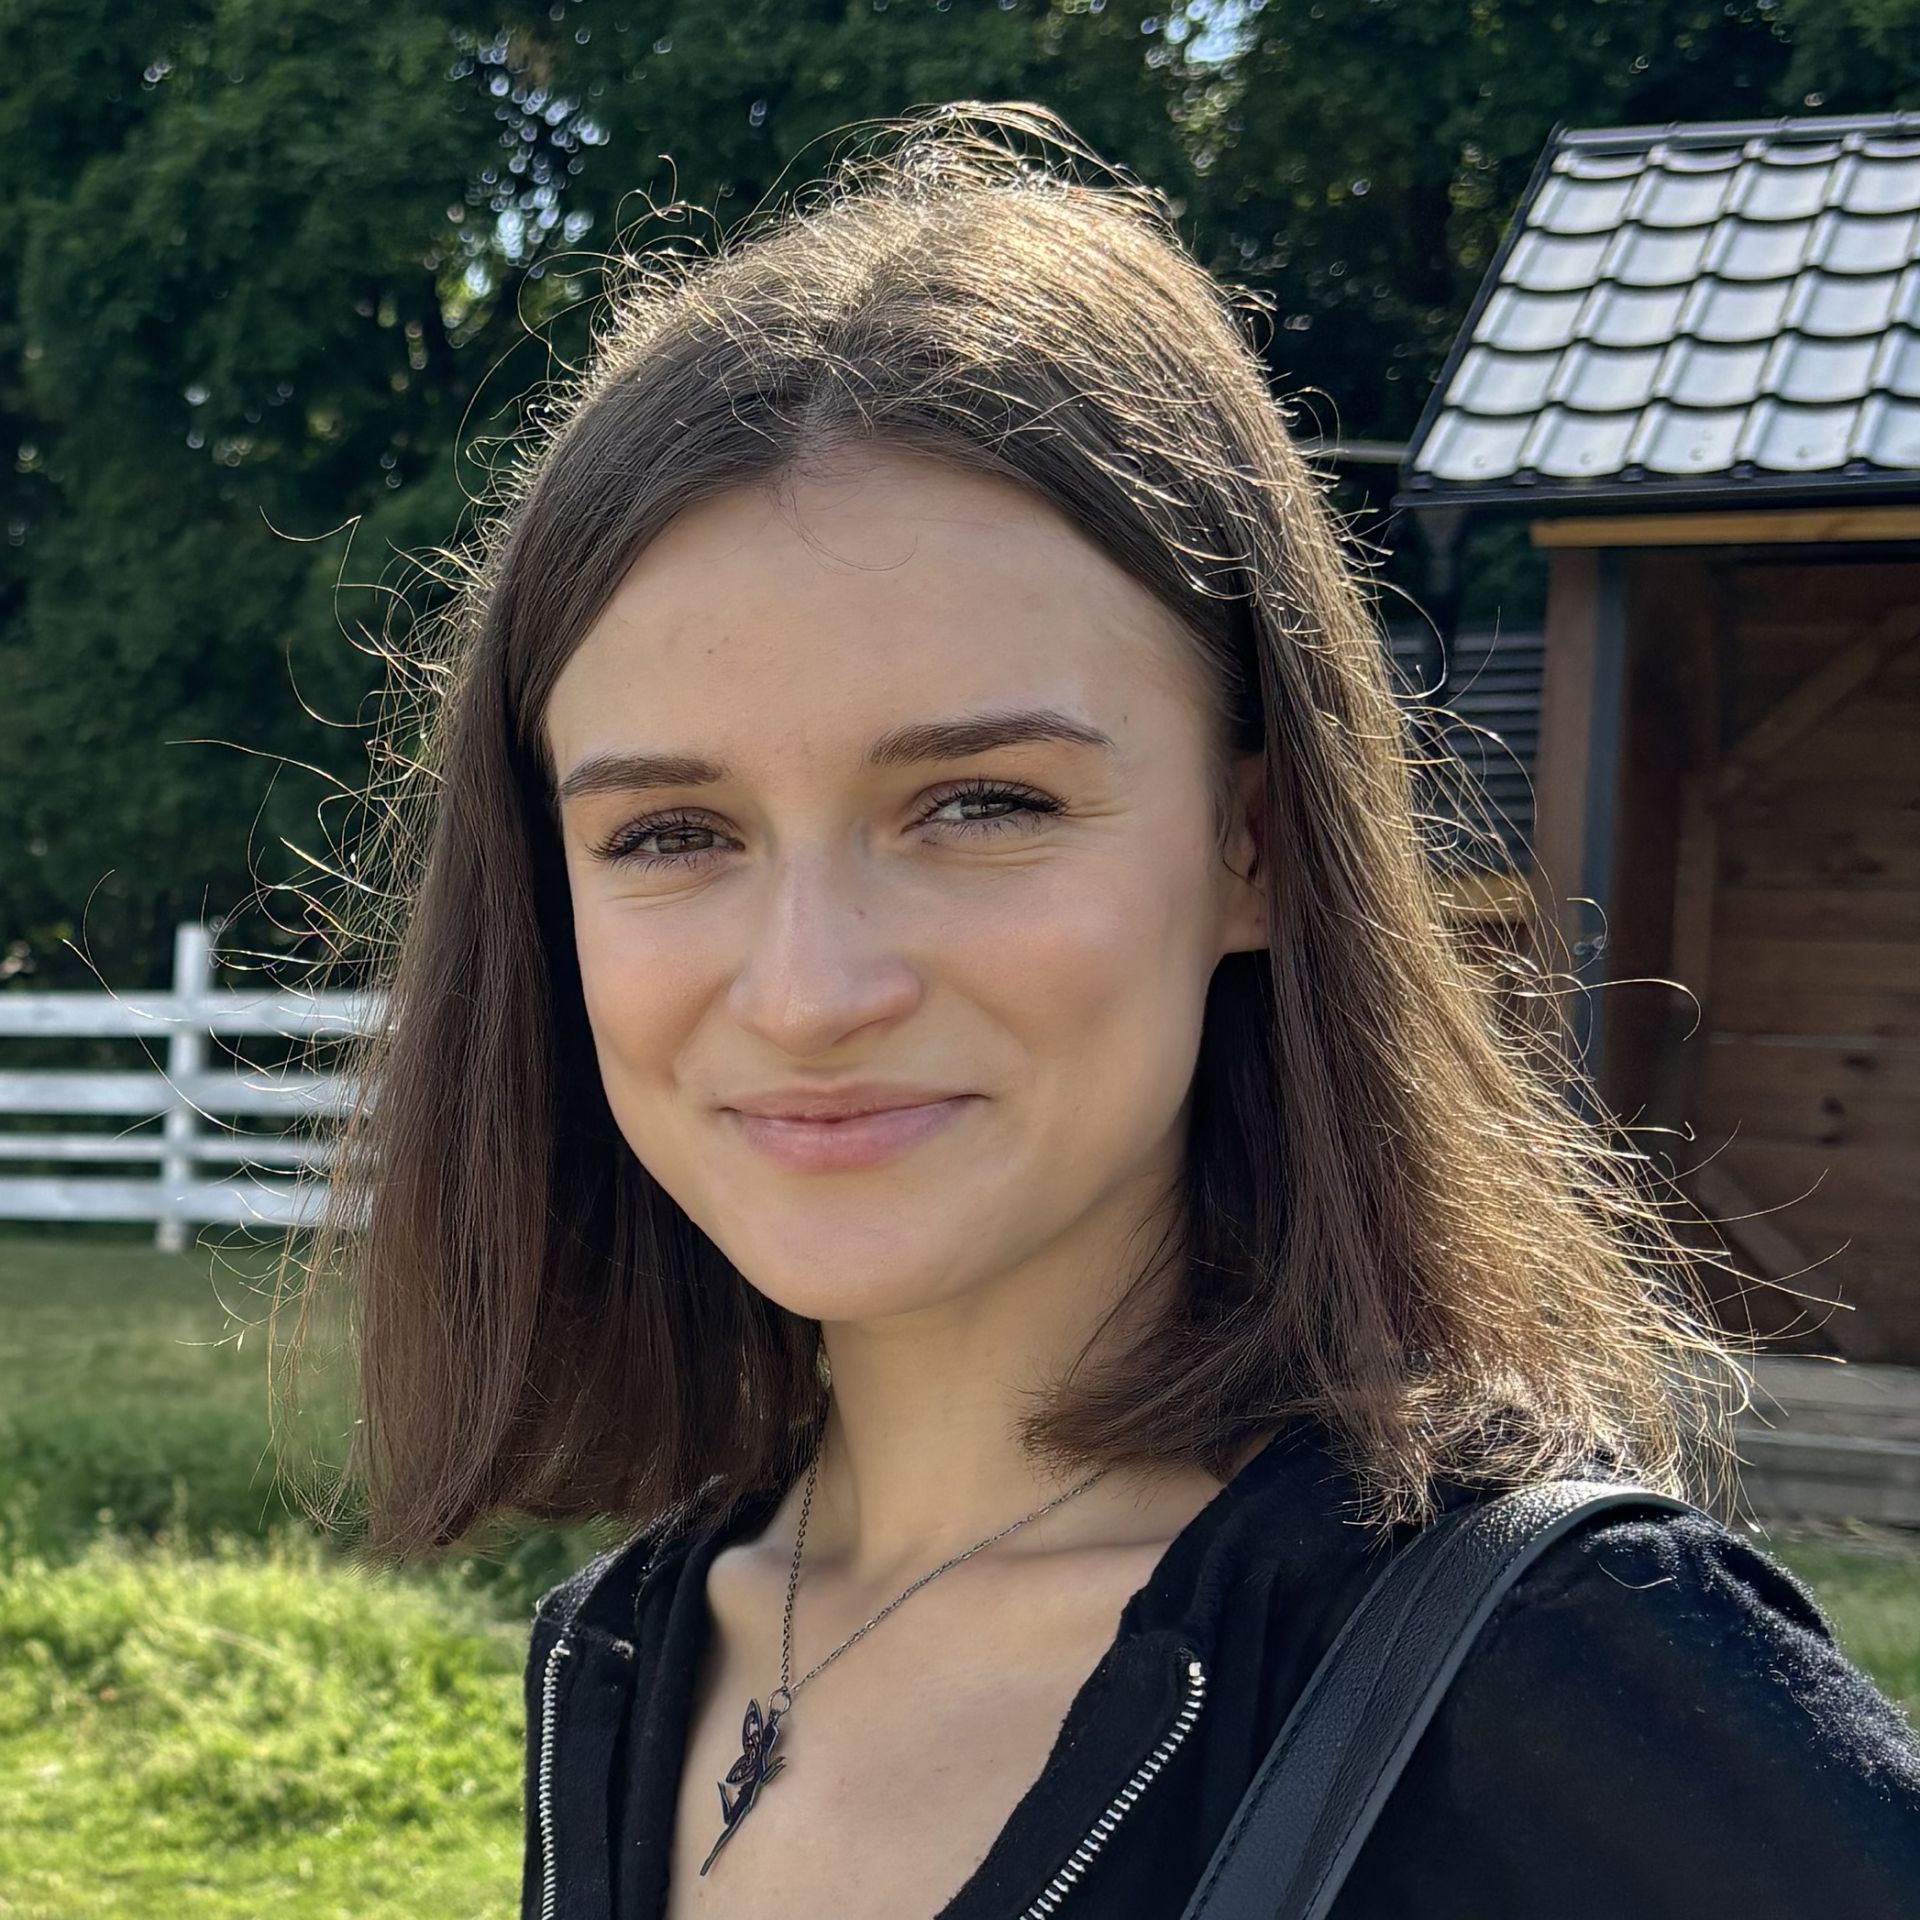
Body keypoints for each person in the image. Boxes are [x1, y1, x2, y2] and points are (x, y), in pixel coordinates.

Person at [286, 103, 1920, 1919]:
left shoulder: (1564, 1687)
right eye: (670, 833)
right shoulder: (625, 1650)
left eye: (983, 803)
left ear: (1253, 846)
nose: (811, 989)